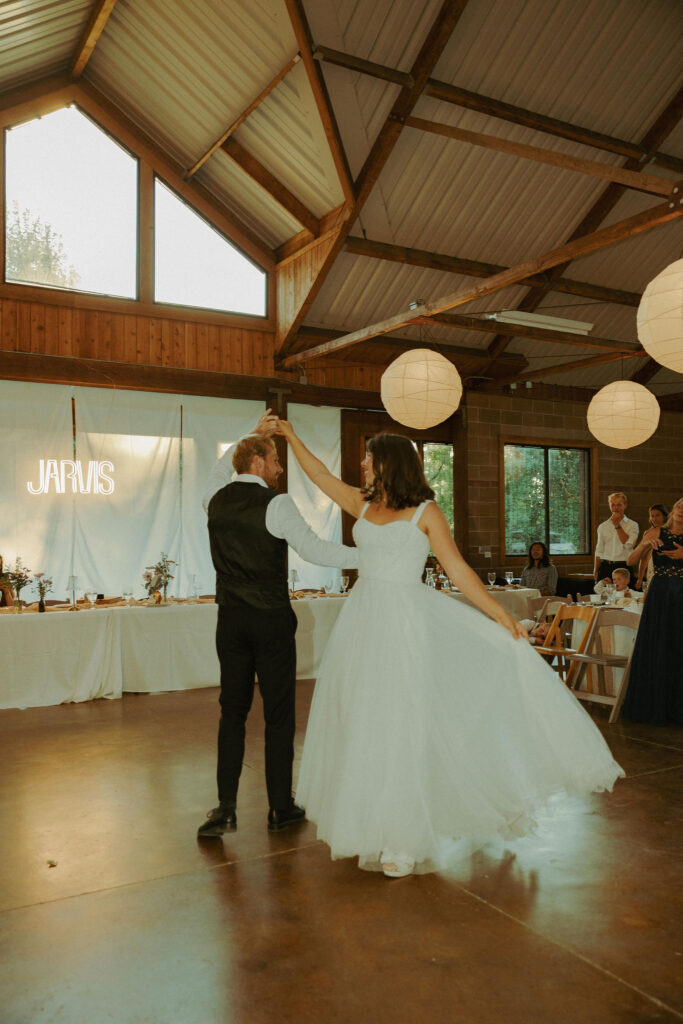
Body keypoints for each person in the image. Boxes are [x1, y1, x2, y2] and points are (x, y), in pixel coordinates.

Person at [277, 422, 623, 877]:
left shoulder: (426, 512)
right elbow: (319, 476)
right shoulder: (362, 504)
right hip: (363, 623)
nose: (361, 464)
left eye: (368, 457)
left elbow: (456, 568)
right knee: (365, 720)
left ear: (389, 463)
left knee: (404, 723)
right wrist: (290, 435)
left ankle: (403, 838)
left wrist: (500, 616)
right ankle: (374, 824)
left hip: (406, 621)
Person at [197, 410, 359, 839]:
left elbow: (219, 468)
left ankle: (225, 809)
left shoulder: (214, 497)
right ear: (257, 463)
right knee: (279, 715)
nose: (280, 468)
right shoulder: (277, 503)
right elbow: (317, 551)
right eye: (274, 459)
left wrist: (249, 433)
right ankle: (279, 808)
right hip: (269, 621)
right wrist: (369, 556)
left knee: (231, 713)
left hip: (229, 622)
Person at [622, 497, 683, 726]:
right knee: (659, 644)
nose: (681, 512)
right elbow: (630, 559)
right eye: (679, 507)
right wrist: (645, 545)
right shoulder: (655, 532)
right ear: (674, 509)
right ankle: (655, 705)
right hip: (661, 594)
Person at [593, 492, 638, 586]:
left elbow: (628, 544)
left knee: (624, 597)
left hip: (623, 566)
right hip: (605, 566)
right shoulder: (603, 526)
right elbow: (599, 550)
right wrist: (595, 570)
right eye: (613, 505)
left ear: (625, 505)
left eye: (619, 505)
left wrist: (617, 525)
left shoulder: (632, 525)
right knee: (603, 597)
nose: (616, 508)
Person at [635, 504, 668, 590]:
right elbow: (644, 558)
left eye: (657, 515)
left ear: (664, 516)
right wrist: (640, 578)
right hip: (652, 568)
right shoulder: (648, 533)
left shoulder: (671, 532)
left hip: (669, 569)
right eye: (652, 516)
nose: (654, 519)